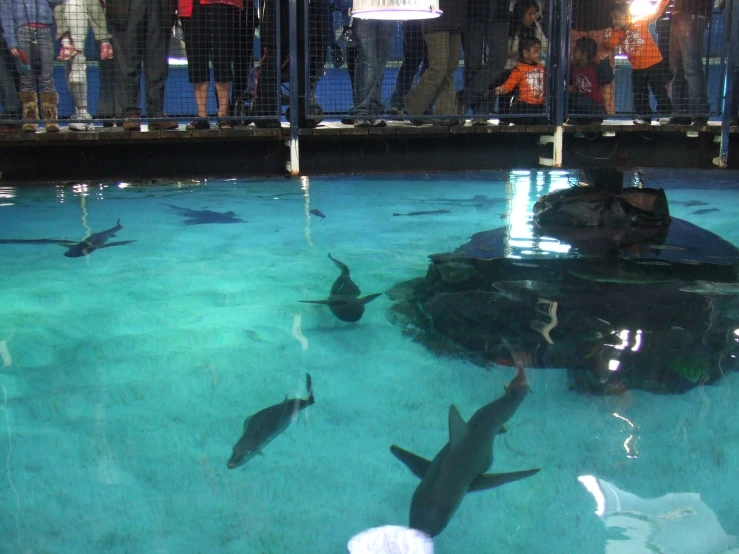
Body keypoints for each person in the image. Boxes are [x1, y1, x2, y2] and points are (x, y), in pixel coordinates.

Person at [105, 0, 179, 130]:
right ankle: (130, 114)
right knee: (127, 63)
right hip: (126, 7)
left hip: (159, 5)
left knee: (157, 63)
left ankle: (156, 114)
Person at [1, 0, 65, 132]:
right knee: (26, 78)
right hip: (22, 33)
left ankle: (50, 119)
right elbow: (6, 14)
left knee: (47, 77)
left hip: (44, 31)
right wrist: (11, 42)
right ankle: (30, 120)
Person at [605, 0, 672, 125]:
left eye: (617, 17)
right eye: (612, 18)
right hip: (637, 67)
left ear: (627, 16)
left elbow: (656, 12)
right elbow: (610, 45)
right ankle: (644, 116)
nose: (615, 21)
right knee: (639, 92)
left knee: (659, 89)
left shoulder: (640, 22)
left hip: (654, 63)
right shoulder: (617, 34)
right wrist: (612, 33)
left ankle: (665, 113)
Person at [178, 0, 242, 130]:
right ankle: (202, 116)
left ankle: (223, 114)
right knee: (197, 59)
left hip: (221, 4)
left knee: (222, 57)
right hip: (190, 6)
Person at [53, 0, 115, 131]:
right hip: (65, 10)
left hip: (81, 10)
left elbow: (95, 8)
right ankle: (82, 112)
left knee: (77, 63)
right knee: (73, 64)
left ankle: (83, 113)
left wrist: (103, 39)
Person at [404, 0, 466, 126]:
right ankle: (412, 107)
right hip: (434, 18)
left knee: (450, 67)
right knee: (439, 67)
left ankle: (445, 113)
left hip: (456, 18)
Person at [496, 0, 548, 118]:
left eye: (535, 14)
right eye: (530, 14)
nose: (533, 17)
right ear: (521, 14)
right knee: (508, 79)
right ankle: (503, 114)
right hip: (511, 67)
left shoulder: (534, 26)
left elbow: (545, 45)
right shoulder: (510, 27)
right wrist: (518, 34)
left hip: (529, 68)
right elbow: (510, 52)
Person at [669, 0, 713, 125]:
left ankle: (699, 112)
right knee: (678, 68)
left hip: (693, 13)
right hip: (679, 13)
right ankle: (681, 113)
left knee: (691, 67)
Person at [348, 17, 394, 127]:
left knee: (380, 62)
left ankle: (374, 111)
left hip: (388, 13)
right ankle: (362, 112)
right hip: (364, 11)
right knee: (368, 61)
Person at [494, 35, 546, 124]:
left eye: (540, 51)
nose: (539, 54)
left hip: (539, 106)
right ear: (525, 53)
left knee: (543, 122)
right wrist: (502, 89)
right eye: (536, 51)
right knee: (527, 121)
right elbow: (509, 84)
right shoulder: (519, 69)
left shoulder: (542, 68)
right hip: (525, 106)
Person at [568, 36, 612, 124]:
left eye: (575, 51)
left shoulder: (594, 68)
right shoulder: (573, 68)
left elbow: (607, 78)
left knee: (575, 97)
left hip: (594, 107)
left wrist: (605, 61)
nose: (572, 53)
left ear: (583, 55)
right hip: (579, 109)